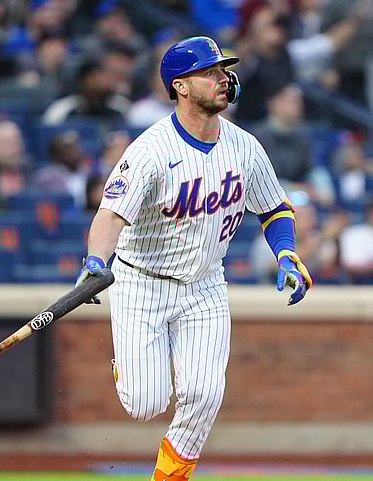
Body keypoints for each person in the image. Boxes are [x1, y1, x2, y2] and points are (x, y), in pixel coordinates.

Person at [72, 37, 312, 480]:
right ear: (181, 86)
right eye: (211, 72)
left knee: (203, 394)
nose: (224, 78)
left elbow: (274, 207)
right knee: (146, 403)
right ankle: (131, 365)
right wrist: (95, 261)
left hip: (204, 283)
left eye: (224, 70)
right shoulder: (150, 150)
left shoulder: (245, 146)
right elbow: (110, 214)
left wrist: (286, 253)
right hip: (142, 280)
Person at [251, 190, 342, 282]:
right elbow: (273, 268)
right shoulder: (269, 238)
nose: (308, 223)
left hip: (314, 291)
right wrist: (318, 241)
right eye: (302, 218)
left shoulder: (318, 239)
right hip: (273, 289)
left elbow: (328, 271)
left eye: (310, 218)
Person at [42, 42, 137, 127]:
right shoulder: (64, 109)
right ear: (83, 80)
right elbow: (46, 136)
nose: (102, 81)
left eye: (106, 75)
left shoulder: (122, 107)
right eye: (96, 76)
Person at [31, 130, 87, 206]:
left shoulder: (89, 173)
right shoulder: (44, 178)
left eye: (75, 147)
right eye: (68, 148)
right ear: (56, 153)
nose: (74, 152)